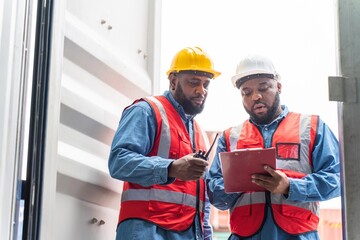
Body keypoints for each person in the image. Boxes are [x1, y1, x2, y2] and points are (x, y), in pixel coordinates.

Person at [206, 54, 341, 240]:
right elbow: (215, 194)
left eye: (263, 88)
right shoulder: (229, 137)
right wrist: (238, 183)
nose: (256, 96)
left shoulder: (311, 127)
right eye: (246, 92)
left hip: (298, 235)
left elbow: (338, 180)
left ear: (278, 87)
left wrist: (290, 186)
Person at [108, 46, 221, 240]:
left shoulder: (200, 133)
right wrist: (171, 168)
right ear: (173, 81)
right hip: (147, 230)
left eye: (206, 84)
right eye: (194, 82)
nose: (201, 90)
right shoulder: (146, 110)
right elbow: (119, 161)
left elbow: (201, 201)